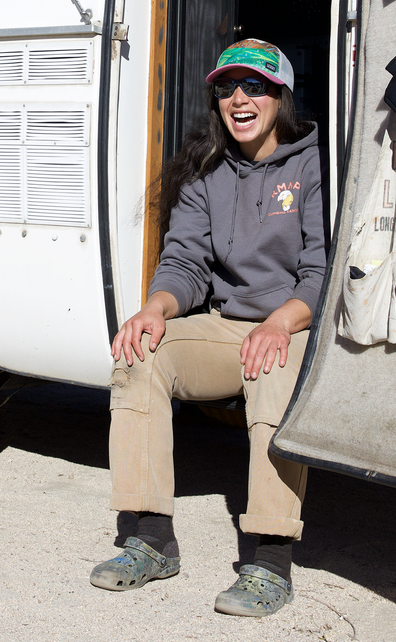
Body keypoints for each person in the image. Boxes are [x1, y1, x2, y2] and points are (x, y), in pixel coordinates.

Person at [90, 38, 326, 617]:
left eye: (254, 87)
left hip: (294, 324)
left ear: (280, 96)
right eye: (227, 87)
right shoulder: (207, 171)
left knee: (271, 366)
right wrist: (156, 307)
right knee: (140, 354)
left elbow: (325, 270)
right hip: (229, 327)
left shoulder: (315, 164)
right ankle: (150, 539)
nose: (239, 98)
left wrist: (279, 322)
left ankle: (270, 561)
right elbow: (184, 261)